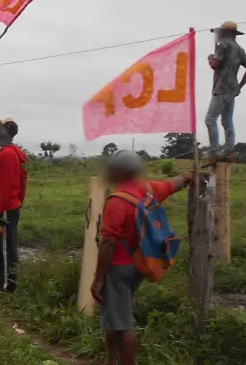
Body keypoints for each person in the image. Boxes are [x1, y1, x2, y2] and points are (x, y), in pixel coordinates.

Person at [91, 150, 194, 365]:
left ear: (118, 172)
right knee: (114, 315)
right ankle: (110, 360)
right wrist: (186, 177)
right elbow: (172, 184)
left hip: (118, 267)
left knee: (123, 324)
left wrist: (98, 278)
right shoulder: (149, 190)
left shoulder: (116, 201)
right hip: (140, 263)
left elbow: (108, 243)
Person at [0, 118, 27, 293]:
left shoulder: (8, 154)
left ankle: (7, 287)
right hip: (7, 207)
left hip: (6, 209)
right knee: (5, 245)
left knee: (4, 247)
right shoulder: (7, 152)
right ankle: (7, 283)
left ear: (5, 132)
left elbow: (7, 185)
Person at [206, 21, 246, 162]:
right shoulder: (240, 49)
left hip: (221, 88)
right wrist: (239, 86)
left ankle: (214, 153)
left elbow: (215, 65)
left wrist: (210, 57)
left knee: (210, 119)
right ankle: (229, 152)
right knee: (227, 121)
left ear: (223, 33)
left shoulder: (223, 45)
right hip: (231, 90)